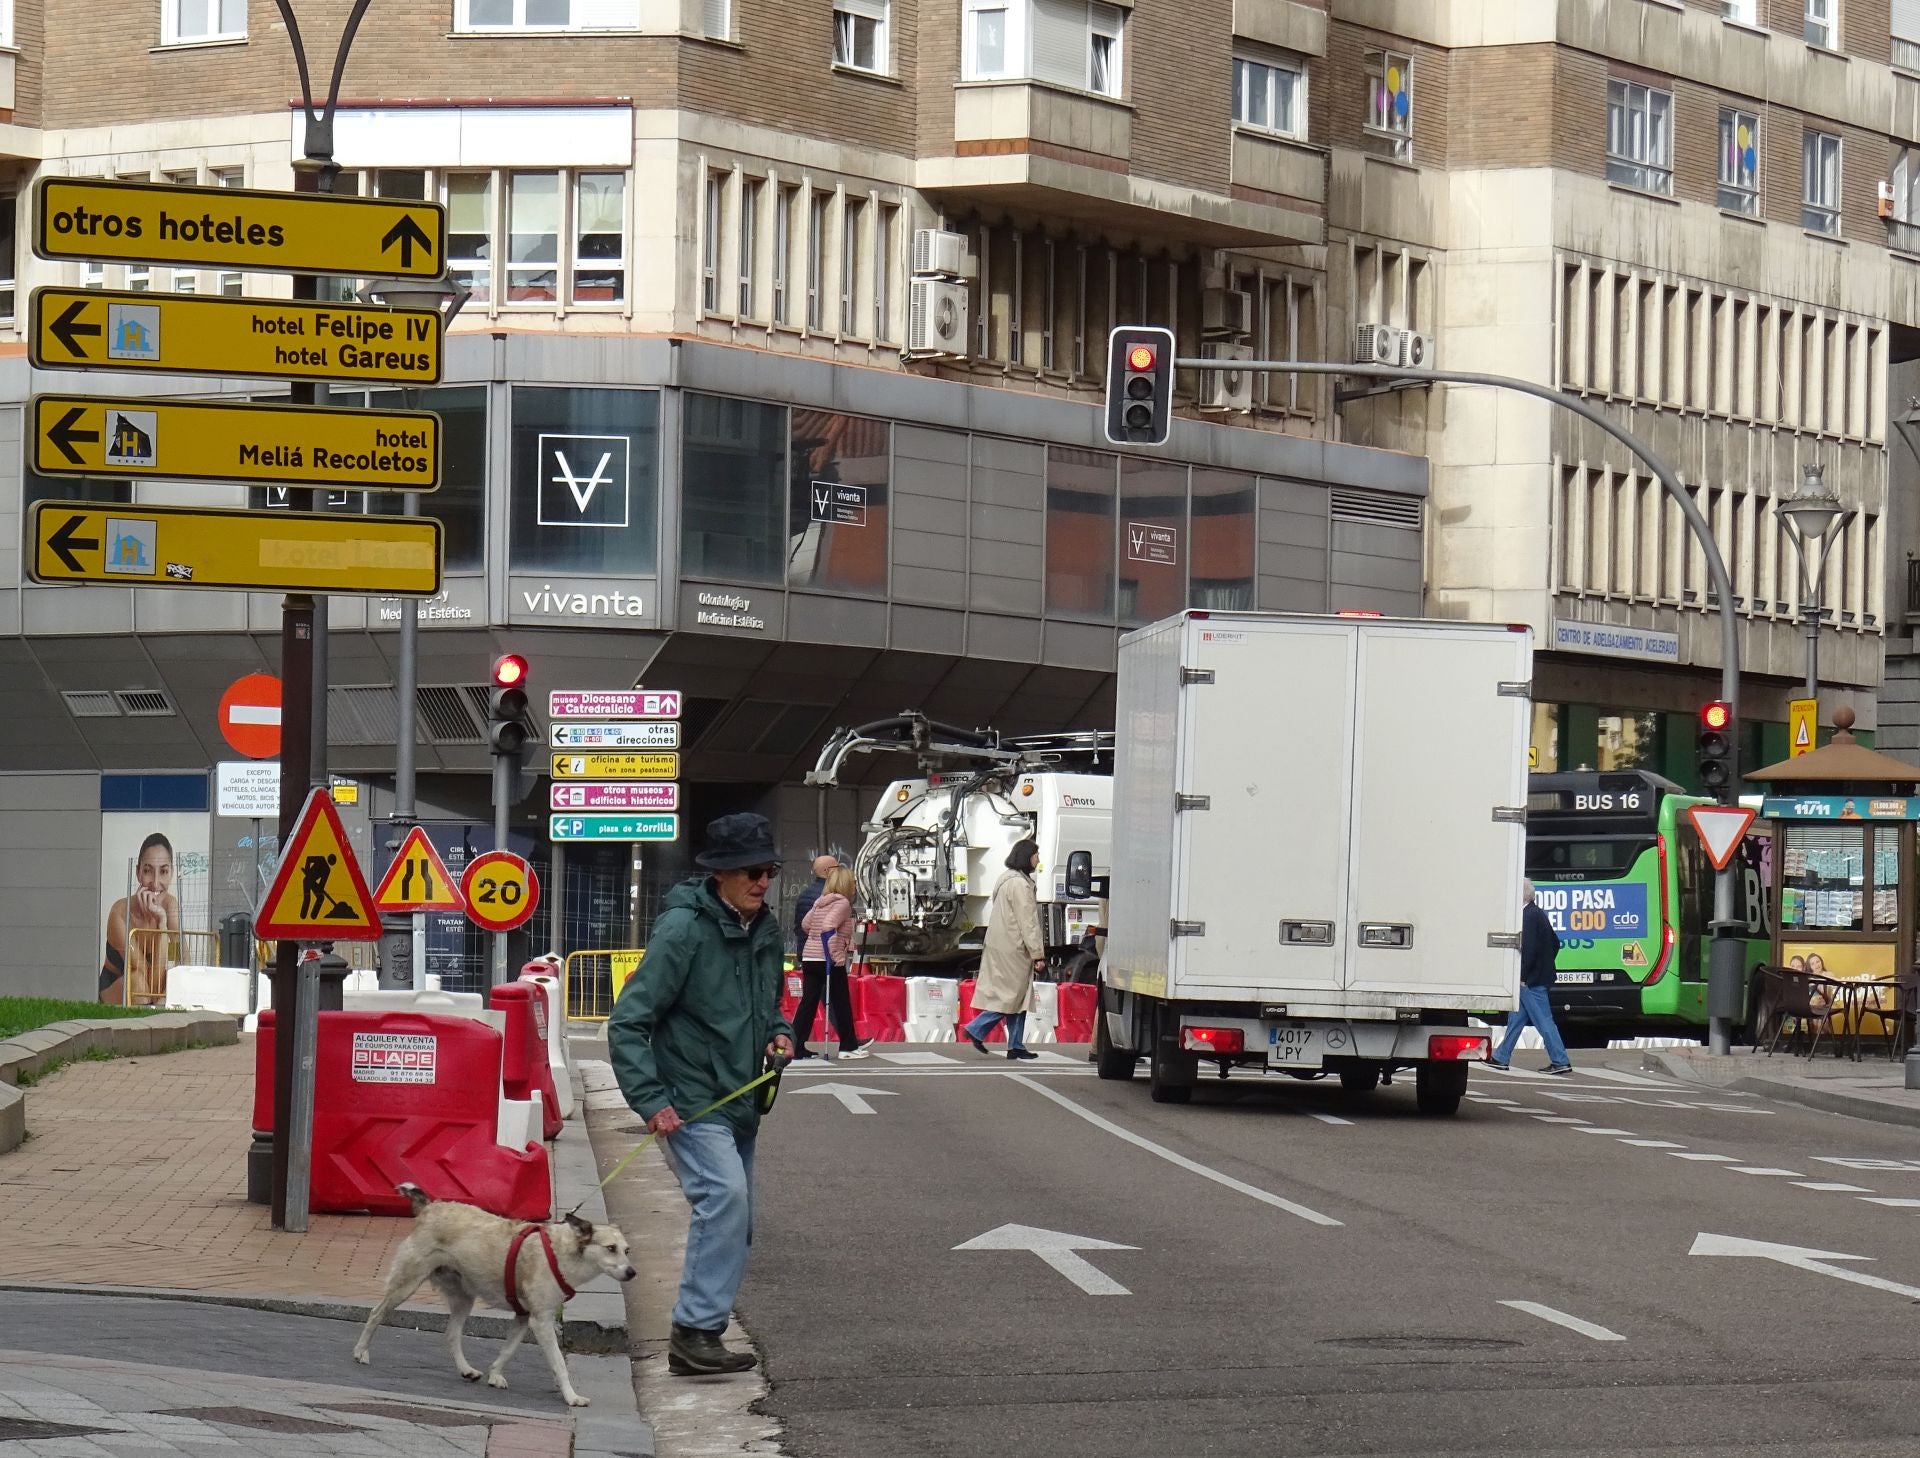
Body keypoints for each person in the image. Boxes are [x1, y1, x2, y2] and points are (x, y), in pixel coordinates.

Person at [607, 813, 794, 1377]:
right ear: (721, 875)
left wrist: (778, 1032)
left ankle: (698, 1336)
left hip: (738, 1100)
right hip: (691, 1098)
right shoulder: (683, 931)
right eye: (752, 872)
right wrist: (650, 1098)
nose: (763, 882)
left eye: (769, 871)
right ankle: (695, 1331)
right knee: (726, 1201)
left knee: (737, 1219)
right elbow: (627, 1023)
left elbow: (767, 1005)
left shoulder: (764, 928)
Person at [963, 839, 1047, 1062]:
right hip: (1015, 948)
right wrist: (1037, 953)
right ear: (1026, 856)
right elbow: (1028, 922)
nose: (1038, 859)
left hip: (1000, 944)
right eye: (1036, 855)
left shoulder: (1005, 879)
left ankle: (1016, 1045)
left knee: (1016, 996)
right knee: (1013, 996)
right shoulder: (1020, 884)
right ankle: (976, 1028)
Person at [1487, 881, 1573, 1075]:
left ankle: (1560, 1060)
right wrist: (1545, 966)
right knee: (1516, 1019)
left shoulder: (1528, 916)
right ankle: (1501, 1057)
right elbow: (1555, 943)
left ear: (1521, 895)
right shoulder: (1537, 913)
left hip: (1530, 981)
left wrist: (1524, 975)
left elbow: (1529, 950)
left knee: (1544, 1021)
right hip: (1536, 978)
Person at [795, 866, 871, 1060]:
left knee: (808, 1003)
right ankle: (848, 1046)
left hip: (810, 957)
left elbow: (805, 924)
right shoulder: (843, 903)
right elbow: (829, 926)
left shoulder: (820, 902)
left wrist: (814, 937)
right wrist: (835, 952)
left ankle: (796, 1044)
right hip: (827, 959)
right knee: (841, 1002)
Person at [101, 831, 181, 1006]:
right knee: (137, 979)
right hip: (119, 987)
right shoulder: (120, 913)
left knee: (173, 983)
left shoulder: (170, 906)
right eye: (148, 871)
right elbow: (144, 975)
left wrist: (162, 923)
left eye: (164, 871)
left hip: (151, 989)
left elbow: (183, 961)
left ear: (172, 873)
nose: (156, 882)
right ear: (137, 873)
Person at [792, 853, 838, 956]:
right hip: (823, 955)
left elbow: (799, 928)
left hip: (807, 954)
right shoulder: (831, 896)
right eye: (837, 868)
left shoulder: (805, 894)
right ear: (827, 870)